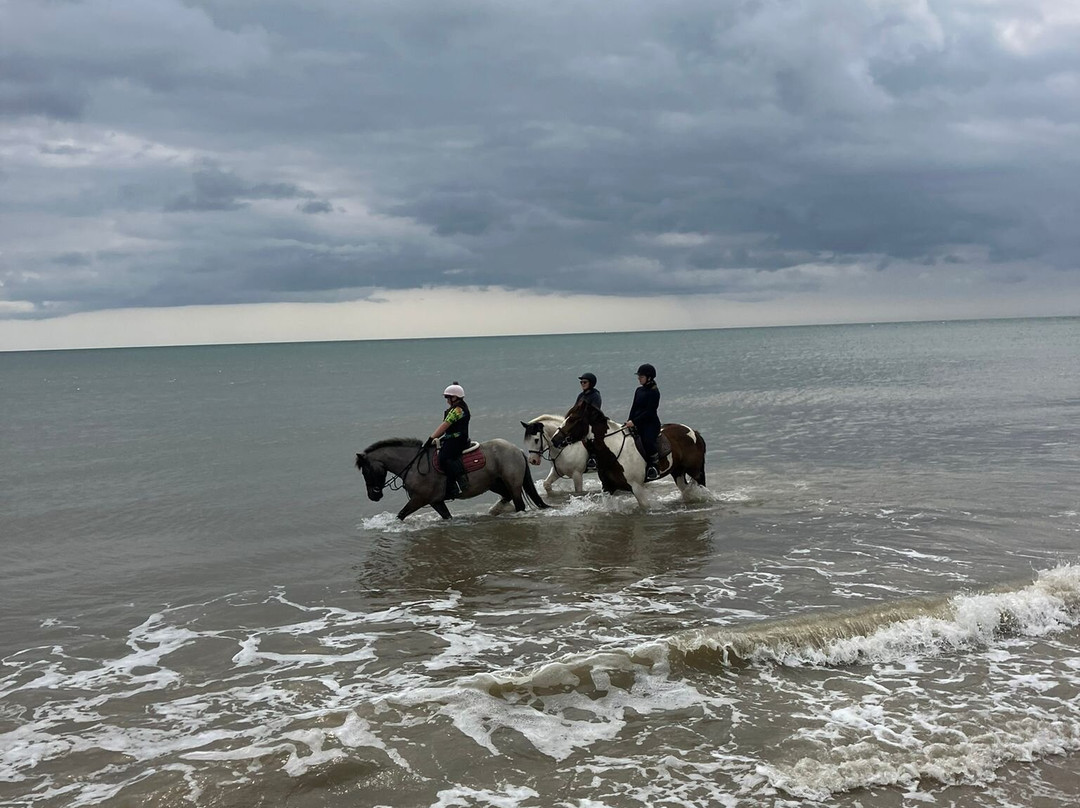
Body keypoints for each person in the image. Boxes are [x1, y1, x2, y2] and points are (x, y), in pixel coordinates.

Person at [428, 382, 470, 499]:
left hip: (457, 439)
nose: (446, 400)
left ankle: (455, 485)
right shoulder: (454, 409)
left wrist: (431, 438)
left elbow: (445, 425)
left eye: (448, 397)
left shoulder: (458, 410)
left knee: (443, 458)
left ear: (455, 397)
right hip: (451, 438)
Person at [625, 363, 661, 480]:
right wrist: (629, 420)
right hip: (636, 422)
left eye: (641, 376)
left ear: (649, 377)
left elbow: (649, 412)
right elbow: (634, 407)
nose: (639, 378)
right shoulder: (639, 390)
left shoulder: (654, 392)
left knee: (647, 441)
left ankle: (654, 467)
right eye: (639, 376)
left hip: (650, 424)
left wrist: (634, 421)